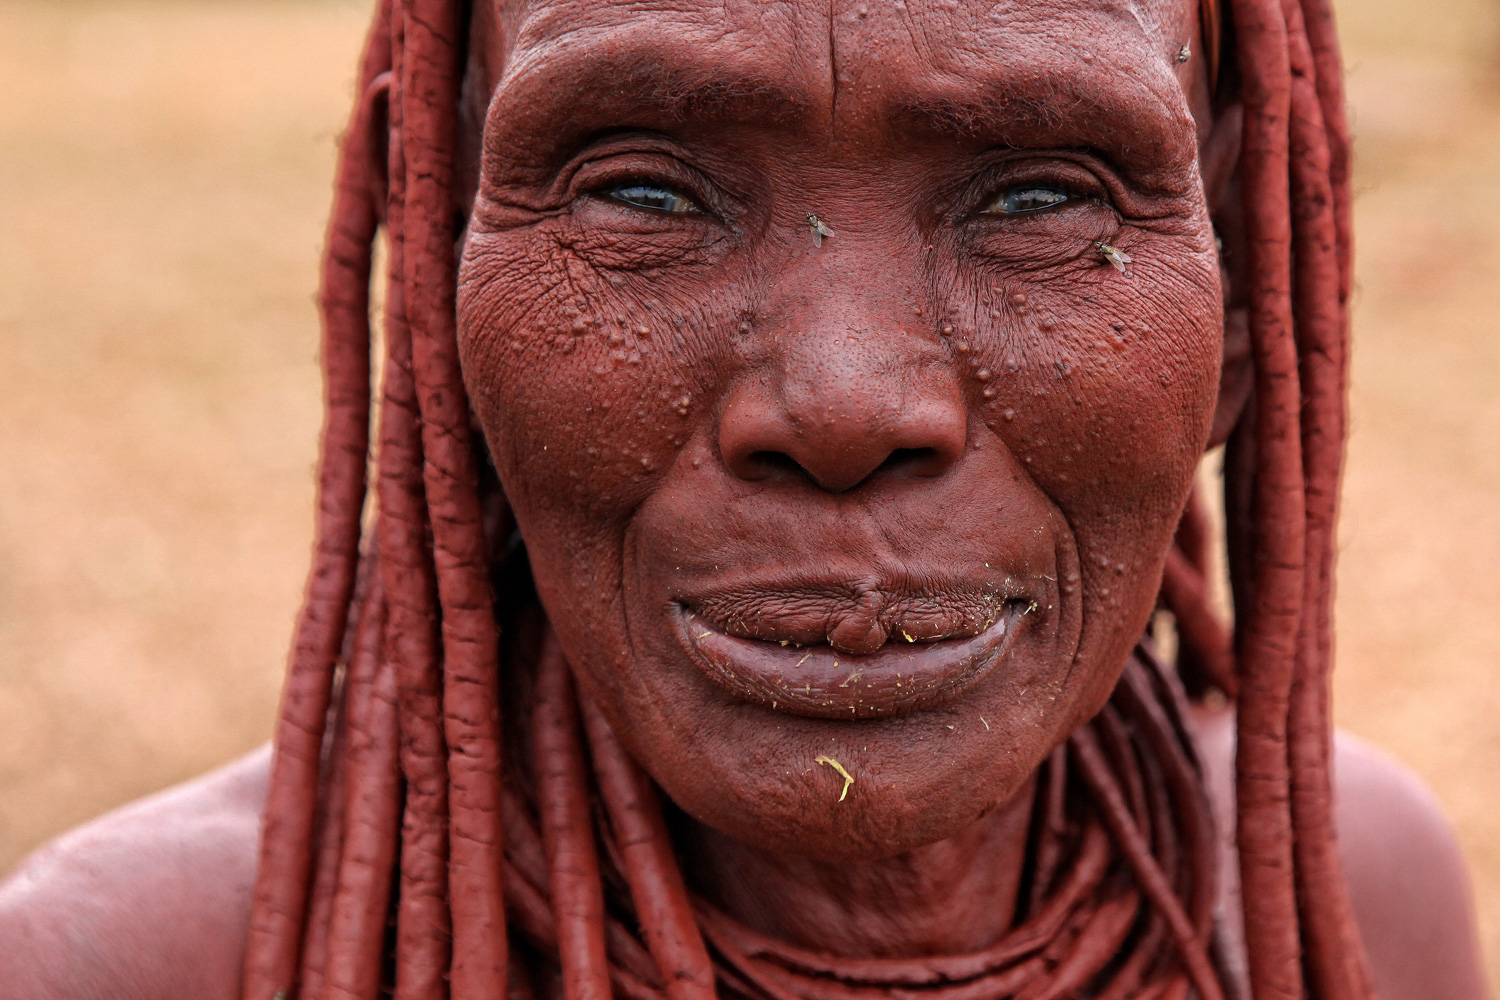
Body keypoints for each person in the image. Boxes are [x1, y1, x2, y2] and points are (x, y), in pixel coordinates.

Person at [0, 0, 1490, 997]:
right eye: (642, 193)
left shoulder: (1348, 906)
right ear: (442, 278)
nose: (843, 404)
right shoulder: (147, 965)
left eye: (1042, 195)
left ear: (1236, 306)